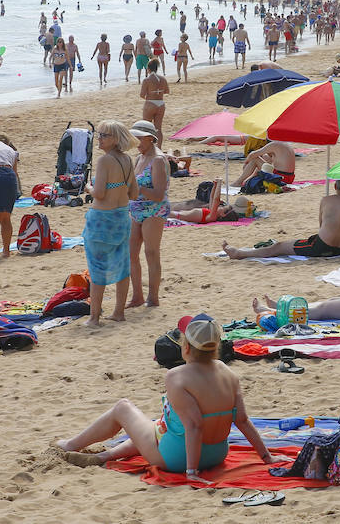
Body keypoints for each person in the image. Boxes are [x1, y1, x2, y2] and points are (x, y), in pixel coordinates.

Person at [55, 316, 290, 474]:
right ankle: (106, 455)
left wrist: (191, 472)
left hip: (178, 458)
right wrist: (266, 457)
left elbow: (195, 426)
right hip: (218, 453)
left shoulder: (176, 376)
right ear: (216, 347)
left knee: (123, 407)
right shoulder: (229, 373)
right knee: (154, 426)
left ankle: (70, 444)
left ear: (185, 347)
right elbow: (242, 421)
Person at [221, 180, 340, 260]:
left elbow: (321, 227)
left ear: (335, 187)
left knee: (279, 247)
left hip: (322, 247)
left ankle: (241, 254)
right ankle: (240, 253)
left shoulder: (326, 200)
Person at [82, 121, 138, 326]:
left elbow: (99, 193)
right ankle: (119, 312)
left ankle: (94, 317)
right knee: (122, 266)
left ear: (115, 139)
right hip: (122, 217)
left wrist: (88, 187)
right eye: (99, 134)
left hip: (102, 220)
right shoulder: (127, 160)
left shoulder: (105, 161)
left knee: (97, 268)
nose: (99, 138)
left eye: (104, 135)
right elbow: (134, 193)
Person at [128, 120, 170, 309]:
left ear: (149, 138)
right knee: (131, 254)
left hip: (154, 209)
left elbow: (159, 194)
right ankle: (137, 296)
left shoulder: (158, 160)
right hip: (136, 208)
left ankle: (153, 298)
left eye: (138, 137)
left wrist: (138, 188)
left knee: (151, 253)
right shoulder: (140, 158)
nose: (135, 141)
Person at [170, 180, 240, 223]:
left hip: (177, 215)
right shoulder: (211, 211)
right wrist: (215, 185)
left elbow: (216, 199)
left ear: (223, 214)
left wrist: (219, 184)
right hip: (177, 214)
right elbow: (212, 198)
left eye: (223, 207)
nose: (220, 206)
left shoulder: (212, 217)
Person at [140, 59, 169, 147]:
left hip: (150, 103)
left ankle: (147, 146)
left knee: (146, 127)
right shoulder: (163, 79)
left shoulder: (147, 80)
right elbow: (167, 91)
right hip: (160, 104)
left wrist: (150, 95)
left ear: (148, 69)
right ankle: (159, 147)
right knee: (158, 128)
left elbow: (142, 95)